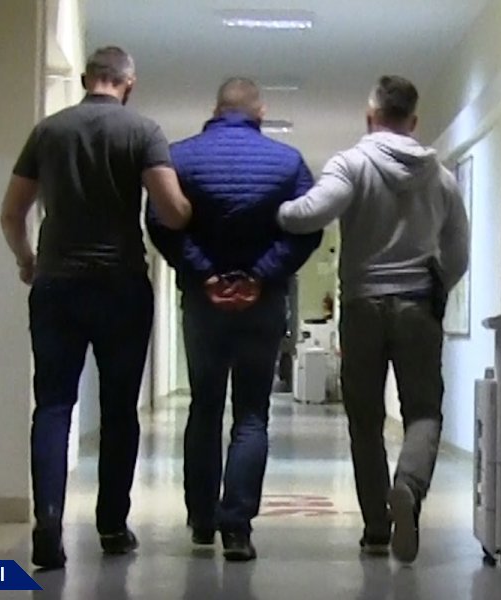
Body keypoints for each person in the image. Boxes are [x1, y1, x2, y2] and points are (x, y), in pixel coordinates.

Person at [0, 46, 192, 570]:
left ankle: (48, 523)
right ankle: (111, 525)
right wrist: (190, 209)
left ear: (87, 79)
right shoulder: (143, 132)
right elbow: (173, 210)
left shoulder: (48, 131)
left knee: (53, 405)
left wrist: (27, 260)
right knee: (120, 409)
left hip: (56, 283)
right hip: (120, 284)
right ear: (129, 84)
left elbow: (12, 212)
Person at [277, 75, 469, 563]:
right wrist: (436, 287)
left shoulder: (352, 164)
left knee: (364, 421)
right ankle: (408, 485)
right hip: (418, 307)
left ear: (371, 116)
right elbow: (459, 253)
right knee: (423, 412)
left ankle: (376, 529)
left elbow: (309, 214)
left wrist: (273, 210)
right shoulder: (442, 179)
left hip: (362, 306)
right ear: (414, 121)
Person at [147, 77, 322, 562]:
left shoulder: (180, 158)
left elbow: (159, 221)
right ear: (260, 112)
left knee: (204, 407)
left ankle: (203, 519)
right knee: (251, 414)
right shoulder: (288, 162)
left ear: (215, 108)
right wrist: (260, 276)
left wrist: (204, 274)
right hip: (262, 304)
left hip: (204, 304)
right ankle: (238, 527)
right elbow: (309, 229)